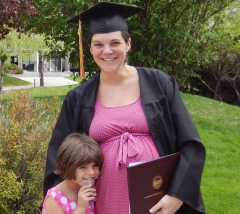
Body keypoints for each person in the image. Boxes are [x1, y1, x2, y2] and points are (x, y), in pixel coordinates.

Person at [43, 2, 206, 214]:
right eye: (98, 44)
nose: (107, 51)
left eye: (115, 42)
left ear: (128, 43)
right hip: (105, 199)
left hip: (160, 196)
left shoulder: (159, 84)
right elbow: (60, 157)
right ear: (90, 48)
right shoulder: (78, 99)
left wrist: (177, 195)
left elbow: (190, 144)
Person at [42, 133, 104, 214]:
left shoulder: (93, 189)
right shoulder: (54, 198)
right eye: (83, 167)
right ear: (66, 167)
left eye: (95, 165)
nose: (91, 172)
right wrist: (81, 208)